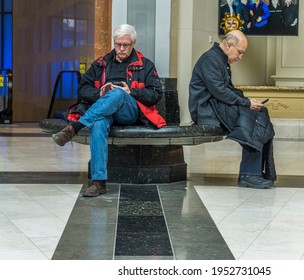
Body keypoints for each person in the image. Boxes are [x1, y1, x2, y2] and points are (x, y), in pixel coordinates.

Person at [52, 24, 166, 197]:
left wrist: (131, 92)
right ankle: (99, 182)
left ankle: (74, 128)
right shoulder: (101, 63)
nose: (121, 48)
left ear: (133, 43)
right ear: (114, 43)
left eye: (125, 45)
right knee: (97, 124)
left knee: (118, 94)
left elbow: (156, 94)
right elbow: (82, 89)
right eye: (118, 44)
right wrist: (100, 93)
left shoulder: (146, 65)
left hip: (130, 111)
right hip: (104, 111)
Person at [189, 30, 276, 189]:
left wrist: (248, 101)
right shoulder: (210, 59)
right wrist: (246, 103)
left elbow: (226, 90)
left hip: (216, 105)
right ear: (229, 45)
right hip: (206, 110)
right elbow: (219, 91)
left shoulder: (220, 60)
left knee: (260, 113)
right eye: (240, 52)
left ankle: (259, 172)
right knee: (253, 119)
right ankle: (249, 174)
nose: (240, 57)